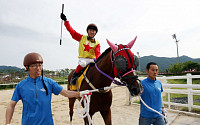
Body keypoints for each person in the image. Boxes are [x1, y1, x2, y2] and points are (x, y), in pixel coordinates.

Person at [5, 52, 90, 125]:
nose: (38, 68)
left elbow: (66, 93)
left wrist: (80, 93)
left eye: (40, 65)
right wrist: (7, 123)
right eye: (34, 66)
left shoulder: (49, 82)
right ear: (27, 68)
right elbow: (12, 105)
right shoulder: (21, 86)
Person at [60, 13, 101, 85]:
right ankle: (74, 76)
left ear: (95, 33)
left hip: (92, 60)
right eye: (90, 30)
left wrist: (98, 60)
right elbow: (72, 31)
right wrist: (65, 21)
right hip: (83, 59)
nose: (92, 32)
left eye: (94, 31)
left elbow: (98, 53)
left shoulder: (97, 43)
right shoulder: (81, 37)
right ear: (88, 31)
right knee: (83, 63)